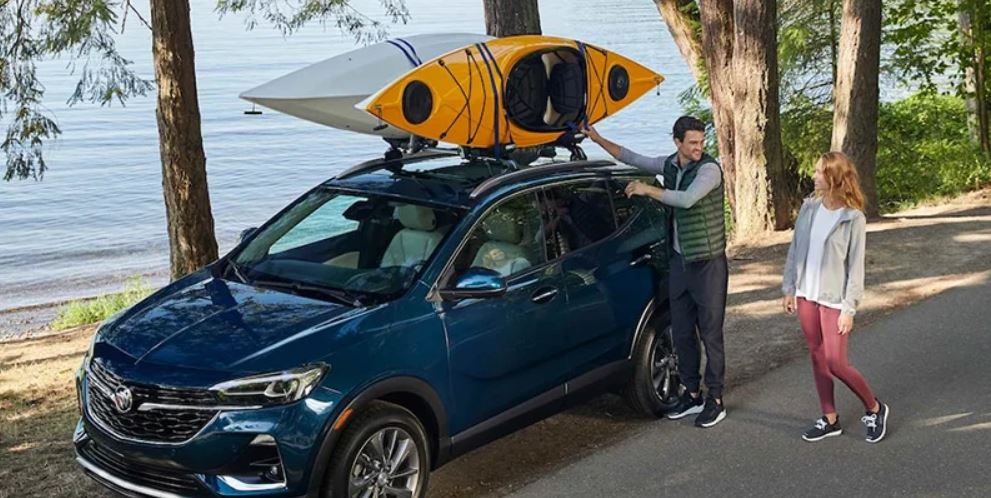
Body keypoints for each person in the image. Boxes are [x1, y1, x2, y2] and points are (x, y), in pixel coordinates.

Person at [583, 116, 728, 428]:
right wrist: (597, 138)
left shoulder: (709, 170)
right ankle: (691, 393)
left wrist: (648, 190)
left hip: (708, 264)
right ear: (677, 142)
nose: (698, 148)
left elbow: (686, 200)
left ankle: (715, 399)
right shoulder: (671, 165)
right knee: (682, 329)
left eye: (701, 142)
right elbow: (632, 157)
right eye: (692, 143)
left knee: (711, 334)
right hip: (680, 261)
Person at [782, 151, 889, 443]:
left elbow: (855, 267)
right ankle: (829, 418)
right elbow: (795, 249)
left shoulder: (853, 218)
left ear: (833, 178)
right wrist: (789, 287)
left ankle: (875, 408)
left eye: (819, 172)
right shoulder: (808, 208)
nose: (814, 176)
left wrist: (849, 308)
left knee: (836, 362)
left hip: (834, 299)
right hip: (806, 294)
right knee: (817, 356)